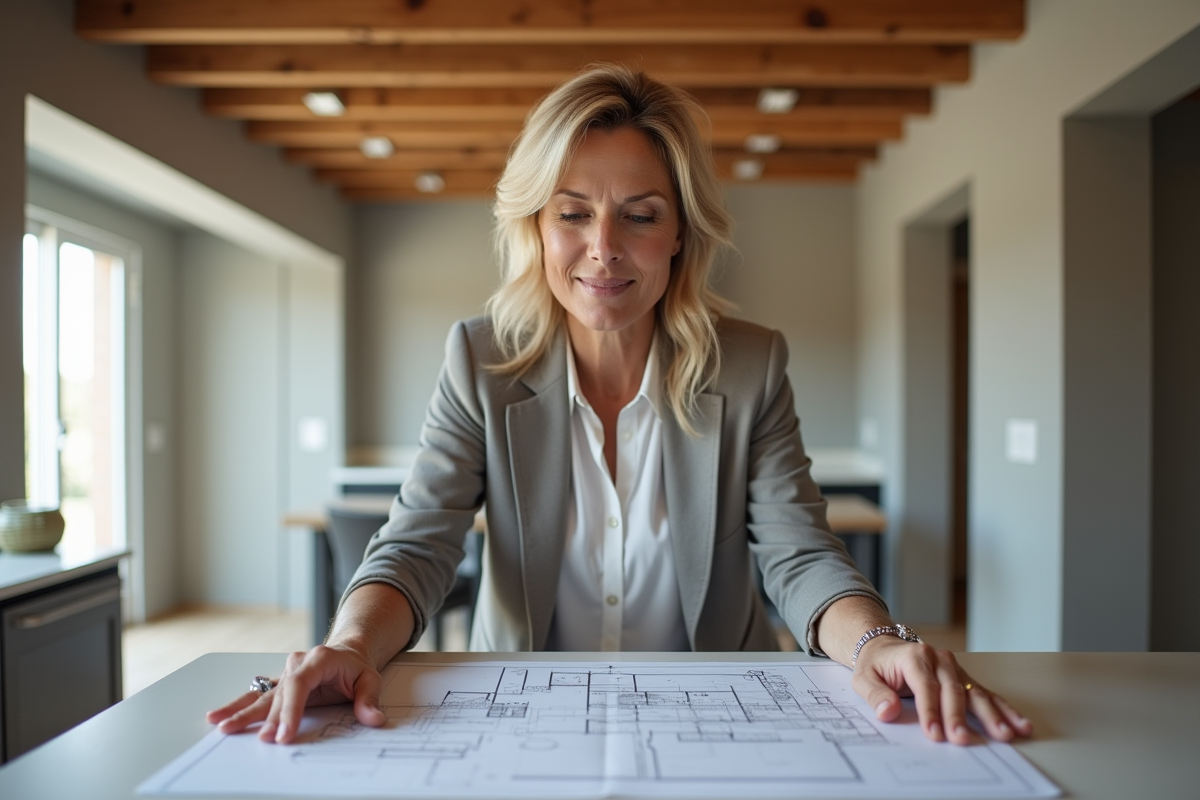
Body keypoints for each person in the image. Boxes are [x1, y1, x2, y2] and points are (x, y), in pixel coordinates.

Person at [208, 64, 1031, 748]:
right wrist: (350, 645)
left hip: (717, 712)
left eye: (639, 215)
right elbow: (418, 546)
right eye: (573, 213)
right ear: (537, 226)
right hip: (525, 707)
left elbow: (799, 554)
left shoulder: (750, 365)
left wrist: (882, 642)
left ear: (679, 235)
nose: (603, 246)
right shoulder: (479, 358)